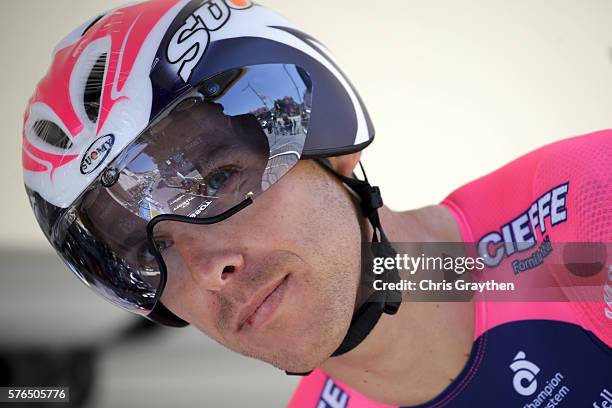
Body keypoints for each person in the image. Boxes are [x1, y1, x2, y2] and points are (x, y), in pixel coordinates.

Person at [22, 1, 611, 407]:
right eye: (150, 252)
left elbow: (498, 270)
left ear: (329, 143)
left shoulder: (589, 213)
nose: (209, 269)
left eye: (219, 178)